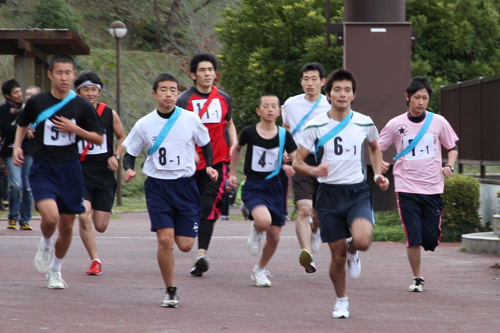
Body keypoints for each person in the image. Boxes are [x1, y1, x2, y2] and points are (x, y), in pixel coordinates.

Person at [293, 69, 389, 319]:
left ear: (353, 94)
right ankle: (341, 300)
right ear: (328, 94)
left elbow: (375, 147)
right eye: (337, 89)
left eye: (347, 90)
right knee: (337, 257)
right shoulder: (315, 126)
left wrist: (378, 173)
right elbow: (297, 163)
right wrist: (315, 170)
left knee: (363, 241)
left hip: (357, 192)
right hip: (328, 195)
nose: (342, 94)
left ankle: (354, 250)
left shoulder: (364, 121)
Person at [122, 73, 217, 307]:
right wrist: (129, 169)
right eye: (163, 90)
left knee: (184, 245)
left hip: (185, 186)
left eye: (173, 90)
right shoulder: (143, 124)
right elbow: (130, 153)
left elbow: (205, 144)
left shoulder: (190, 118)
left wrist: (210, 166)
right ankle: (170, 291)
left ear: (178, 94)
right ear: (155, 94)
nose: (169, 94)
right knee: (165, 241)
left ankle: (178, 225)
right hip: (158, 187)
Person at [13, 53, 104, 289]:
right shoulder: (37, 102)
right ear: (51, 75)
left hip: (70, 169)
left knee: (66, 226)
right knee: (50, 217)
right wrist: (17, 147)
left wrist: (75, 129)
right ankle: (45, 243)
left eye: (68, 73)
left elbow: (98, 138)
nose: (64, 77)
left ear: (74, 75)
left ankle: (55, 270)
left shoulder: (82, 105)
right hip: (43, 167)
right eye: (59, 73)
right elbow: (23, 124)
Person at [378, 77, 458, 293]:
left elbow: (452, 147)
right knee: (413, 236)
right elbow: (377, 147)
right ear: (408, 97)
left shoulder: (438, 121)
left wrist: (449, 165)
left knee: (430, 240)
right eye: (417, 97)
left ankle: (429, 241)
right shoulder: (395, 124)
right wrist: (381, 163)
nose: (421, 102)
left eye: (425, 97)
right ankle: (418, 278)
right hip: (406, 188)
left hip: (432, 188)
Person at [176, 53, 237, 277]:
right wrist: (191, 152)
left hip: (217, 162)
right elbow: (178, 130)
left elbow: (229, 123)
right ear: (193, 75)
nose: (207, 74)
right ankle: (184, 234)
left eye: (210, 69)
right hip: (189, 165)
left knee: (208, 205)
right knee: (189, 205)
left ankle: (201, 254)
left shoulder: (224, 98)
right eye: (202, 70)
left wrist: (234, 143)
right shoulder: (183, 100)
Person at [228, 94, 297, 287]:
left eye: (274, 106)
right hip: (254, 186)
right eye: (265, 106)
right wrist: (232, 173)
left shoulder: (284, 135)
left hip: (276, 187)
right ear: (258, 111)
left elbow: (295, 157)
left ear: (279, 112)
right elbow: (236, 149)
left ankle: (259, 270)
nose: (270, 109)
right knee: (264, 221)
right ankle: (256, 230)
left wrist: (293, 167)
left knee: (275, 236)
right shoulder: (250, 132)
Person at [74, 70, 126, 276]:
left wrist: (117, 156)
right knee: (83, 215)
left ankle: (95, 250)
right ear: (77, 92)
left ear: (99, 92)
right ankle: (95, 260)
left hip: (104, 174)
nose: (89, 93)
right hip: (81, 172)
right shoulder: (72, 113)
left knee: (101, 225)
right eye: (85, 89)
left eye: (93, 89)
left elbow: (122, 137)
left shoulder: (108, 113)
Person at [282, 62, 331, 273]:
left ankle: (316, 229)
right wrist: (285, 150)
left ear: (323, 82)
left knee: (318, 214)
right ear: (301, 81)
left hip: (325, 160)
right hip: (301, 160)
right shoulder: (290, 105)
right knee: (303, 209)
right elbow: (285, 129)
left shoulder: (331, 105)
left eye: (314, 79)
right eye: (305, 79)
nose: (309, 83)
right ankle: (306, 253)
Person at [0, 79, 35, 230]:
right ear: (7, 95)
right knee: (16, 185)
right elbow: (5, 129)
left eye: (20, 91)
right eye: (15, 92)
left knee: (27, 187)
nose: (19, 94)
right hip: (9, 152)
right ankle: (13, 217)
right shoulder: (2, 110)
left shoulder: (28, 108)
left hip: (28, 152)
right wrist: (24, 132)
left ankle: (25, 219)